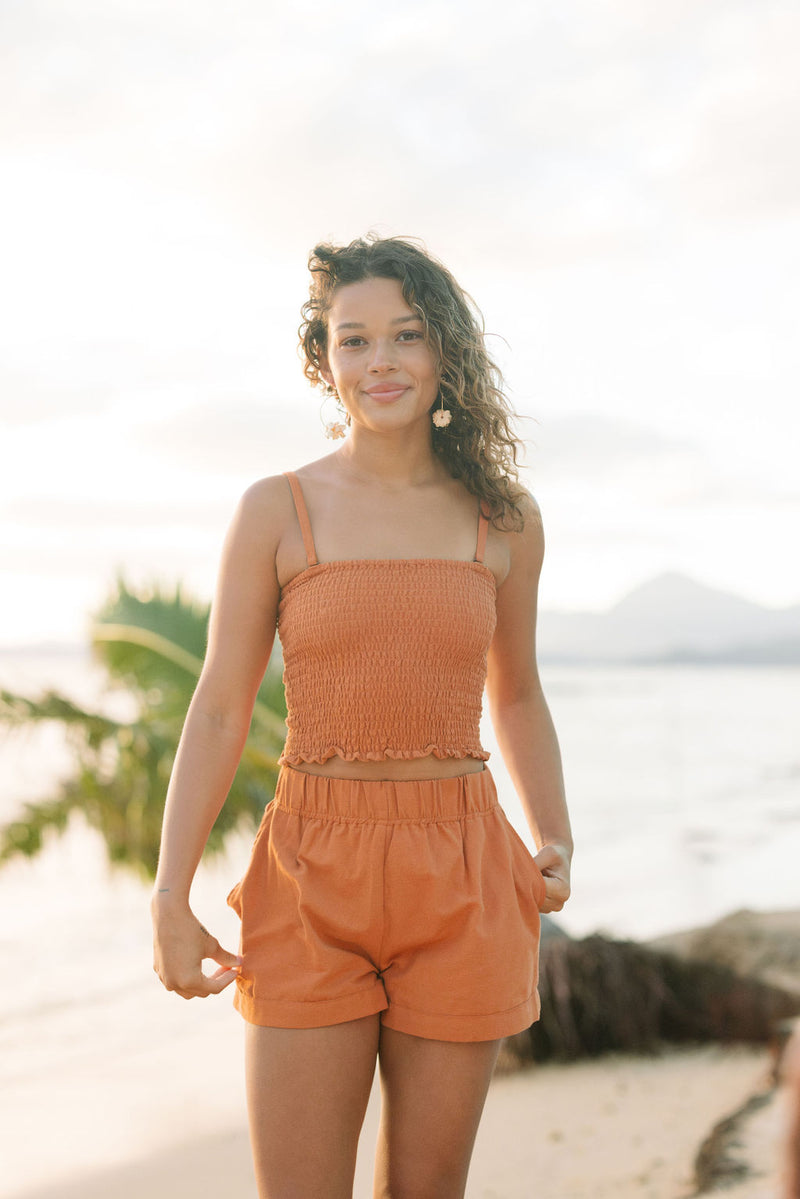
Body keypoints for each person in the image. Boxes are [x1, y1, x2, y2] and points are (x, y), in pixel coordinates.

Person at [151, 234, 572, 1199]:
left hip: (464, 869)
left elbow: (517, 690)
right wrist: (171, 892)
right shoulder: (277, 508)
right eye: (353, 340)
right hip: (312, 869)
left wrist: (554, 831)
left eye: (406, 335)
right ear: (323, 359)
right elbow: (218, 707)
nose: (379, 360)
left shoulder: (503, 518)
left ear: (444, 354)